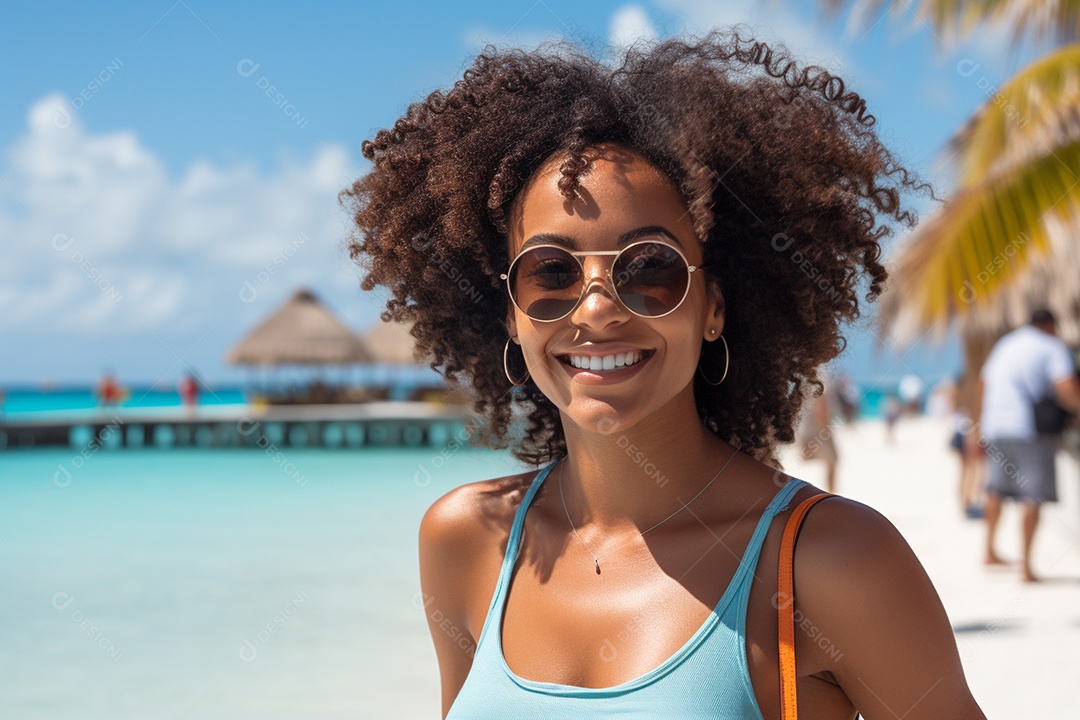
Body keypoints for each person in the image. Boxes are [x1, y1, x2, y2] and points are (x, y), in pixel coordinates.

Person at [343, 30, 985, 718]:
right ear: (510, 314)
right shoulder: (466, 540)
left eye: (649, 269)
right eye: (551, 272)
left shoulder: (831, 562)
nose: (596, 310)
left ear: (713, 307)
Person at [977, 309, 1080, 582]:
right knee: (1032, 495)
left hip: (995, 425)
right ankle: (1026, 566)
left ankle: (989, 550)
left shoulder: (1006, 343)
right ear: (1050, 325)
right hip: (1028, 429)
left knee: (995, 489)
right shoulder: (1053, 346)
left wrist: (979, 423)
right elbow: (1066, 387)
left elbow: (983, 382)